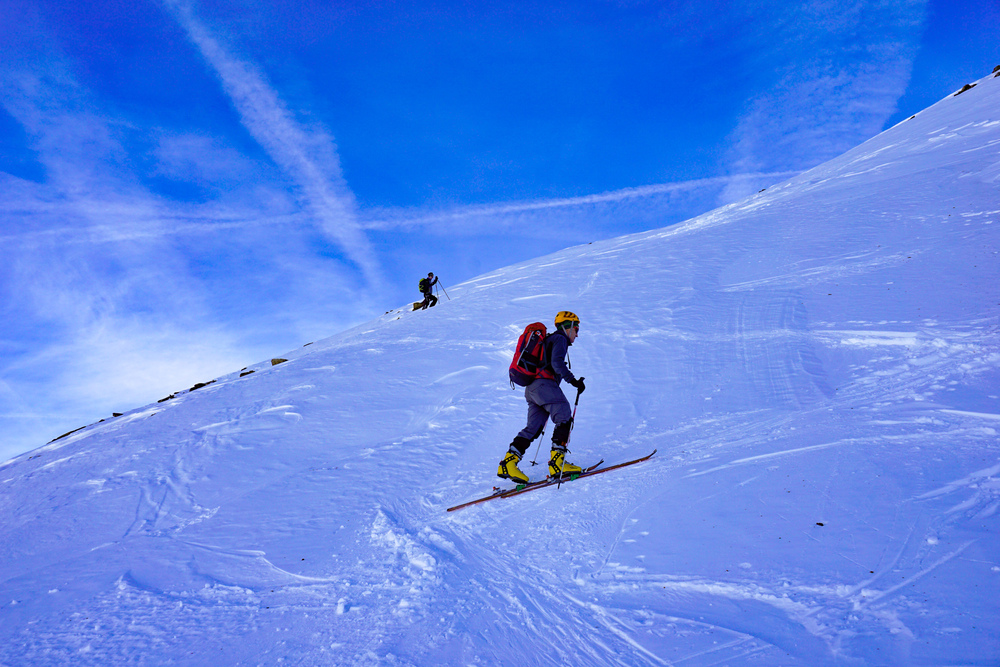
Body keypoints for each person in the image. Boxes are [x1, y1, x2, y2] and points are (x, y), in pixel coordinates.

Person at [498, 311, 587, 484]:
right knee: (564, 414)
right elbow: (556, 363)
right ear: (567, 327)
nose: (577, 333)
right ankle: (558, 464)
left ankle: (508, 463)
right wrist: (573, 381)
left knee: (533, 428)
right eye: (576, 329)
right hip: (544, 385)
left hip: (532, 389)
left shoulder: (550, 339)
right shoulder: (560, 339)